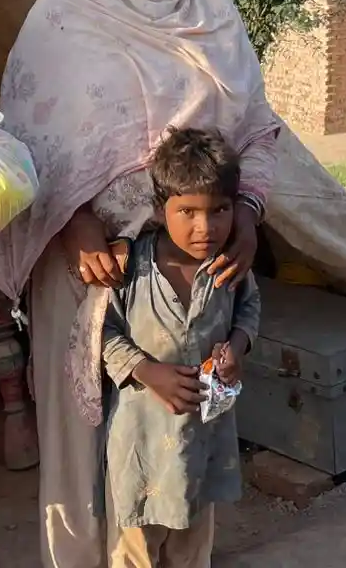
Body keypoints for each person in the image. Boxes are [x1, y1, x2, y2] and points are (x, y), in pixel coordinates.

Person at [0, 0, 276, 568]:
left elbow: (259, 130)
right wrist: (74, 221)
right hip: (90, 266)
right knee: (84, 435)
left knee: (180, 425)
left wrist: (247, 213)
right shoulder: (63, 13)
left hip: (191, 265)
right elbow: (26, 142)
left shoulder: (212, 11)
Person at [101, 128, 260, 568]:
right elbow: (102, 332)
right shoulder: (131, 266)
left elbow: (249, 309)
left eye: (219, 210)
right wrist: (146, 370)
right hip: (143, 444)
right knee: (136, 551)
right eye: (187, 211)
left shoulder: (230, 265)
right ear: (160, 208)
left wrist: (237, 348)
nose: (204, 227)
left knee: (192, 546)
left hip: (204, 439)